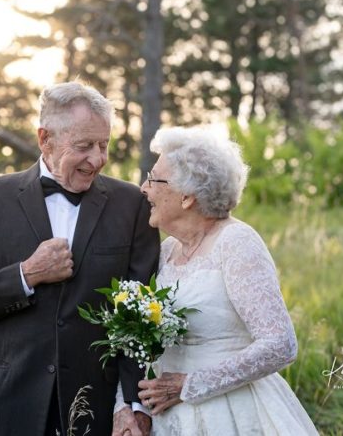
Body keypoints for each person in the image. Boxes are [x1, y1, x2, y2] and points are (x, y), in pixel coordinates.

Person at [0, 81, 160, 436]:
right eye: (84, 146)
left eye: (104, 145)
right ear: (45, 139)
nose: (98, 159)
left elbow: (141, 319)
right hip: (6, 405)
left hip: (96, 408)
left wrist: (131, 404)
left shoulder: (131, 205)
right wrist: (26, 274)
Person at [113, 126, 317, 435]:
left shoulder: (237, 242)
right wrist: (126, 406)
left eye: (154, 179)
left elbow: (280, 343)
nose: (144, 188)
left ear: (186, 197)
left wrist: (190, 385)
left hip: (231, 413)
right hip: (167, 417)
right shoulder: (166, 250)